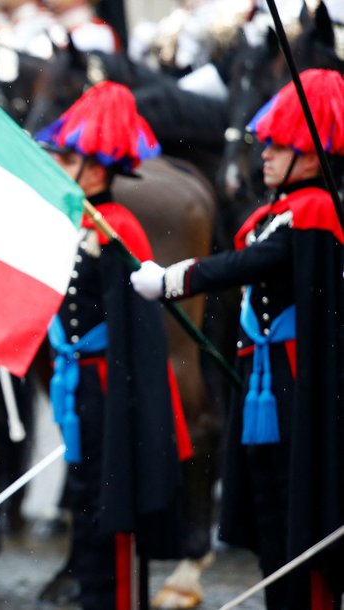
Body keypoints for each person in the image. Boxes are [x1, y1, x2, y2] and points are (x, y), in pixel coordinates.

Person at [131, 68, 344, 609]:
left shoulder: (317, 209)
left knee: (300, 513)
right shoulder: (278, 211)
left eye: (281, 145)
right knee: (271, 513)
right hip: (264, 380)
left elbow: (252, 262)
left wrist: (173, 280)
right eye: (267, 144)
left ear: (314, 153)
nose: (264, 155)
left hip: (299, 383)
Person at [34, 81, 188, 609]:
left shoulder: (119, 229)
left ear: (96, 171)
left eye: (69, 158)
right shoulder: (75, 221)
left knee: (109, 503)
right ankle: (91, 591)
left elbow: (138, 335)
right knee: (83, 497)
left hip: (106, 387)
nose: (58, 165)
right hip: (74, 386)